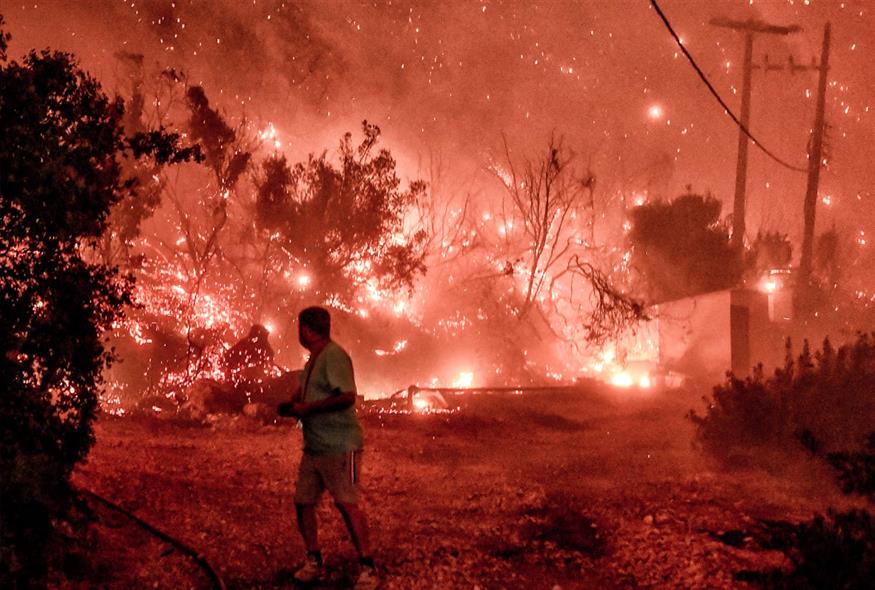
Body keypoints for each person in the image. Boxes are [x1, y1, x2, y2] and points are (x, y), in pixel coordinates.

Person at [278, 306, 378, 589]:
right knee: (303, 502)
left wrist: (306, 408)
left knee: (348, 503)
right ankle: (314, 559)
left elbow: (347, 397)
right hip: (315, 448)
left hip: (344, 447)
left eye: (301, 328)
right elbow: (304, 391)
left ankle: (368, 566)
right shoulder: (313, 361)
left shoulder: (334, 356)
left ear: (307, 329)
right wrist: (292, 404)